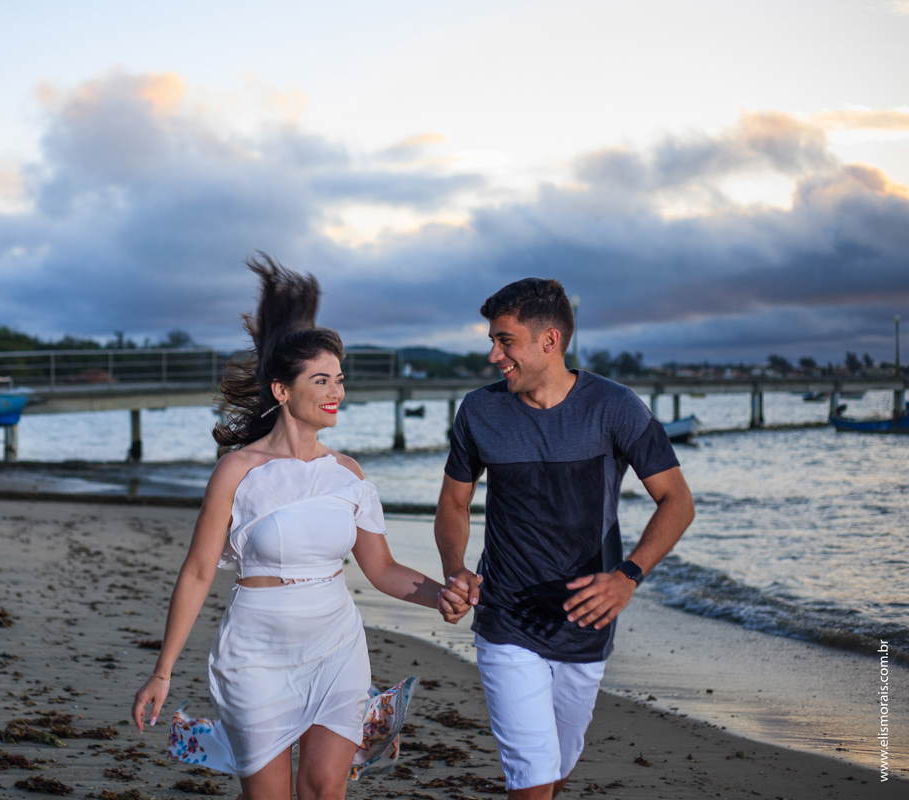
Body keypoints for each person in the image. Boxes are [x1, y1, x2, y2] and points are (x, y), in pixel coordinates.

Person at [132, 255, 460, 800]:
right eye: (321, 380)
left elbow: (380, 570)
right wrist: (163, 672)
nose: (337, 392)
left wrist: (442, 595)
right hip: (257, 651)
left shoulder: (347, 474)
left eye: (339, 379)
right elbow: (195, 574)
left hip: (335, 644)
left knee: (325, 790)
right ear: (283, 391)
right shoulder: (238, 472)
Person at [435, 278, 695, 800]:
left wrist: (628, 577)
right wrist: (456, 569)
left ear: (549, 341)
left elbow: (677, 501)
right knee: (531, 773)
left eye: (505, 341)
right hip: (506, 615)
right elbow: (454, 503)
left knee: (557, 761)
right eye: (493, 340)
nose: (493, 355)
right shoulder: (479, 412)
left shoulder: (616, 407)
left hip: (586, 621)